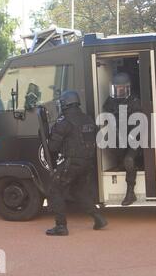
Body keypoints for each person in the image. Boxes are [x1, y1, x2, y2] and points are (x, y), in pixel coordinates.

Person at [46, 90, 108, 236]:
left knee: (55, 189)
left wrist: (49, 135)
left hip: (72, 163)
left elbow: (52, 147)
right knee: (78, 191)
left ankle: (61, 226)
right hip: (87, 163)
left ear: (64, 104)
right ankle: (98, 218)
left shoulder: (64, 122)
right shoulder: (87, 119)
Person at [103, 72, 142, 206]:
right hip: (119, 138)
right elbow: (106, 118)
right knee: (107, 141)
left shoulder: (135, 102)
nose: (119, 91)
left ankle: (130, 193)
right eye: (117, 88)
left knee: (129, 160)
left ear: (127, 88)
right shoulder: (110, 102)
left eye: (122, 88)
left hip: (134, 139)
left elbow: (140, 126)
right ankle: (121, 162)